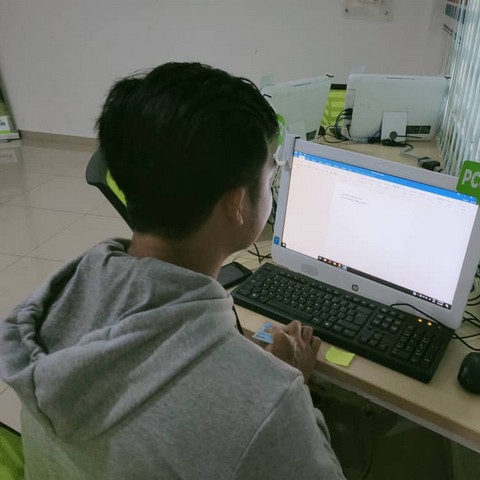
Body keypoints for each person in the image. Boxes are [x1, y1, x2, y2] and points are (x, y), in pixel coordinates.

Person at [0, 62, 345, 479]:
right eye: (270, 178)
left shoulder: (56, 305)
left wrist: (251, 367)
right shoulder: (272, 404)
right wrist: (287, 384)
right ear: (237, 205)